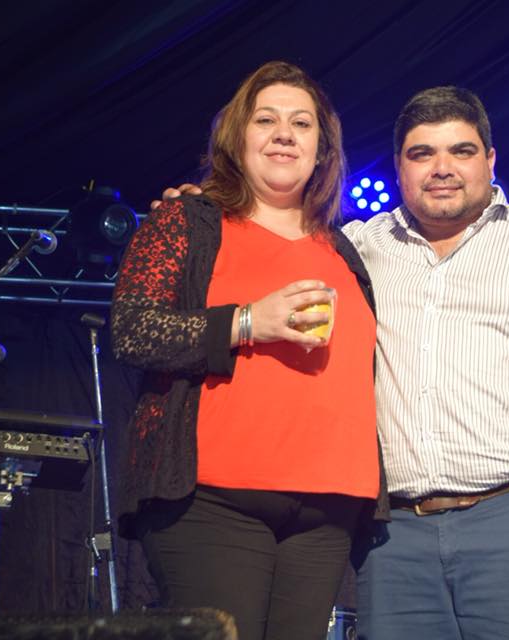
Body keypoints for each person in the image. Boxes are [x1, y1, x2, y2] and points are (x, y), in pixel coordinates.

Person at [158, 85, 509, 640]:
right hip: (394, 534)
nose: (442, 168)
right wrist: (209, 208)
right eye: (421, 153)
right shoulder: (354, 247)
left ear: (490, 159)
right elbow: (269, 237)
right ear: (398, 167)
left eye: (461, 151)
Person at [111, 60, 386, 640]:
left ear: (323, 150)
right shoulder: (188, 221)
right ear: (237, 138)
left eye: (301, 123)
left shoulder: (346, 248)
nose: (284, 134)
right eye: (266, 120)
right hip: (213, 501)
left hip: (329, 507)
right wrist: (247, 322)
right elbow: (133, 331)